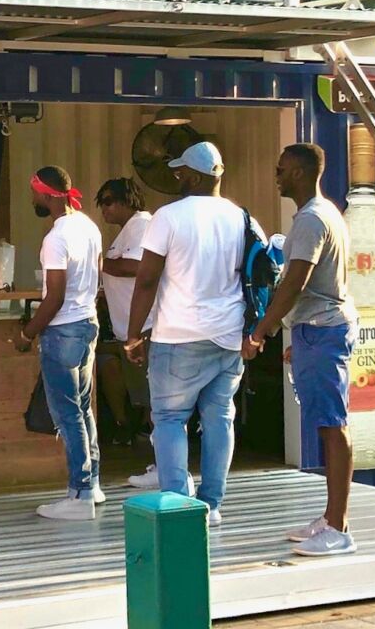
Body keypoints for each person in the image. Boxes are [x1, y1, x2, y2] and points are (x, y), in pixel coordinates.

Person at [244, 142, 359, 558]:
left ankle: (340, 528)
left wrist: (261, 332)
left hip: (324, 329)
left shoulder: (312, 219)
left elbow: (294, 282)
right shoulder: (325, 213)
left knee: (333, 425)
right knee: (327, 423)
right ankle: (330, 518)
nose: (276, 175)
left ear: (298, 172)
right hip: (318, 330)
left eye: (281, 169)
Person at [125, 142, 246, 529]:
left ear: (194, 176)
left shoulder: (168, 216)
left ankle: (179, 505)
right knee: (219, 419)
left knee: (170, 418)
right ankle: (212, 504)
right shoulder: (241, 216)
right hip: (228, 335)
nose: (176, 177)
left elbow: (146, 280)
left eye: (180, 172)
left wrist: (132, 335)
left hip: (178, 334)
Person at [15, 166, 103, 521]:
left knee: (67, 415)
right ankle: (92, 483)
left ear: (48, 194)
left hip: (63, 330)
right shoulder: (89, 226)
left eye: (34, 191)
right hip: (88, 324)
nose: (32, 197)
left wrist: (27, 333)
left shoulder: (55, 238)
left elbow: (54, 298)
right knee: (83, 409)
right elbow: (96, 276)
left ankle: (79, 494)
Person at [93, 177, 158, 488]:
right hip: (129, 329)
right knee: (148, 400)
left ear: (126, 200)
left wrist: (99, 263)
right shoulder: (126, 232)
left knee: (156, 402)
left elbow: (139, 267)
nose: (103, 209)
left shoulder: (143, 225)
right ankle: (160, 463)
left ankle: (164, 467)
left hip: (146, 328)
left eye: (107, 201)